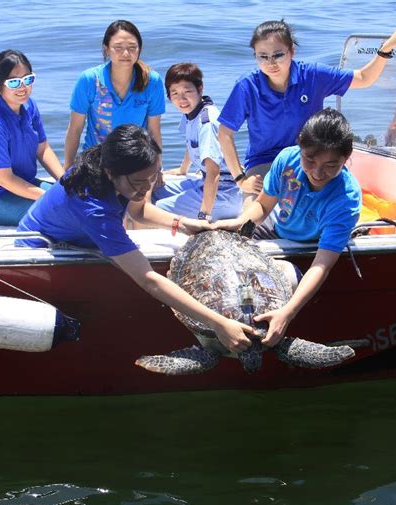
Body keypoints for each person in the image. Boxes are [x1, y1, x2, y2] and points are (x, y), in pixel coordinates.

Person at [19, 124, 255, 353]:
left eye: (152, 179)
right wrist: (218, 323)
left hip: (80, 234)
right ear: (111, 173)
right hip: (43, 247)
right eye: (138, 183)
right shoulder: (93, 207)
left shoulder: (111, 163)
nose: (146, 189)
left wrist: (181, 223)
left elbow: (138, 211)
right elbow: (148, 280)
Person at [211, 108, 361, 348]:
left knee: (288, 277)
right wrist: (239, 224)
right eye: (309, 160)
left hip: (312, 246)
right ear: (299, 147)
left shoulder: (346, 199)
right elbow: (262, 206)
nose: (317, 173)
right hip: (279, 227)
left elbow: (322, 264)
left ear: (346, 158)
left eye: (331, 165)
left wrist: (287, 313)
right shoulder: (287, 160)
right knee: (221, 242)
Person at [218, 20, 396, 203]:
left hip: (313, 162)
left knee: (338, 209)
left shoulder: (312, 75)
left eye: (278, 55)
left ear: (291, 51)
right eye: (263, 56)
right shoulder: (247, 86)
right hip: (264, 165)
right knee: (252, 220)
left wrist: (386, 48)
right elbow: (225, 133)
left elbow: (363, 78)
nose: (271, 63)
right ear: (255, 56)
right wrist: (241, 179)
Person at [0, 50, 64, 226]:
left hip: (25, 183)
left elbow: (43, 149)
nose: (22, 87)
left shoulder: (29, 105)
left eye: (28, 79)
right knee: (63, 212)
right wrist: (49, 196)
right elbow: (5, 179)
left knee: (79, 200)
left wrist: (66, 182)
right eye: (14, 82)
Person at [64, 20, 165, 173]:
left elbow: (154, 131)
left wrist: (157, 169)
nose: (126, 53)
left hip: (136, 162)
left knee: (140, 197)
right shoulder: (90, 80)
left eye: (132, 48)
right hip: (96, 161)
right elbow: (75, 129)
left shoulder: (152, 81)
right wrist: (68, 169)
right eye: (118, 47)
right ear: (106, 50)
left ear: (140, 49)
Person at [152, 62, 243, 222]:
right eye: (175, 93)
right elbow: (192, 143)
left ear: (200, 89)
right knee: (155, 189)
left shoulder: (206, 121)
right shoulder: (192, 111)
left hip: (225, 193)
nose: (182, 99)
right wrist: (182, 169)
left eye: (187, 91)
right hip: (205, 181)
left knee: (157, 209)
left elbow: (213, 173)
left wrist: (204, 215)